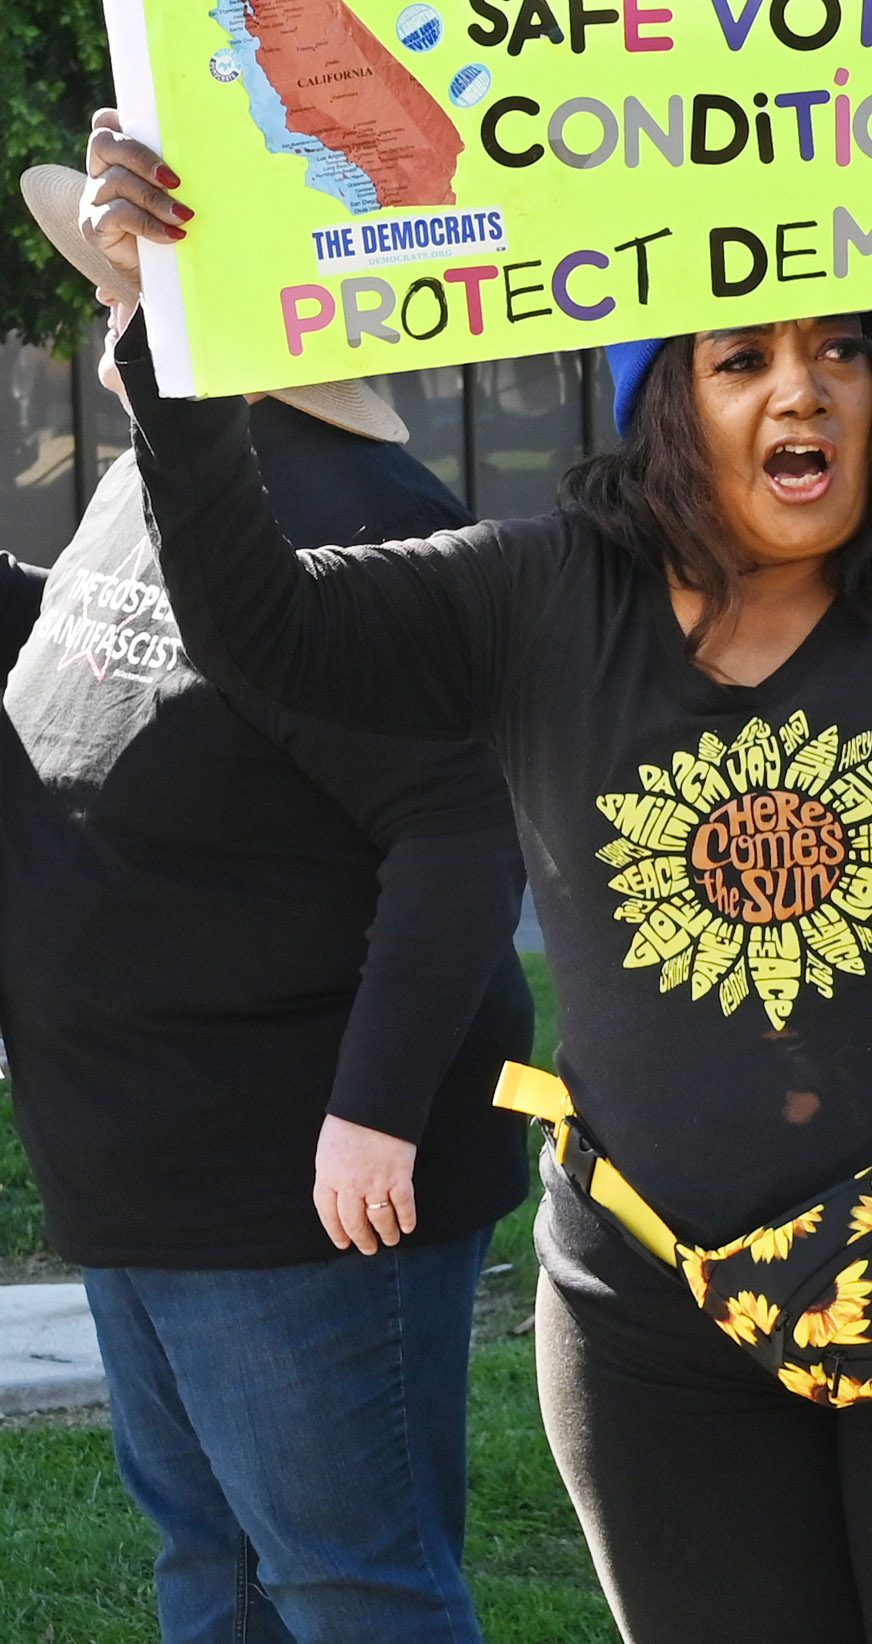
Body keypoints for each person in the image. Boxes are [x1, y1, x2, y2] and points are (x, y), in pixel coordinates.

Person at [83, 0, 872, 1644]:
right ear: (662, 410)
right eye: (741, 355)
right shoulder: (538, 600)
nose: (801, 390)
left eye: (842, 349)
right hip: (661, 1341)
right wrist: (170, 344)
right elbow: (270, 626)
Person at [3, 166, 532, 1644]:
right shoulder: (168, 469)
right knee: (211, 1567)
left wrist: (372, 1111)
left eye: (130, 279)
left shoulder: (358, 516)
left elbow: (458, 830)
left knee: (344, 1583)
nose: (107, 301)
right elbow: (96, 643)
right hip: (140, 1160)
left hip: (293, 1182)